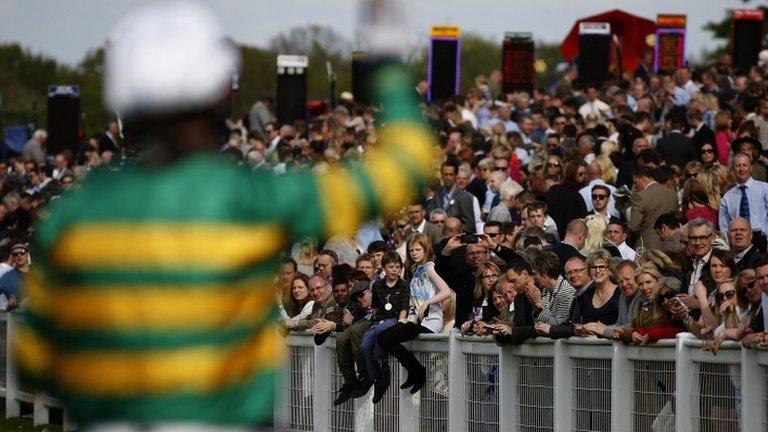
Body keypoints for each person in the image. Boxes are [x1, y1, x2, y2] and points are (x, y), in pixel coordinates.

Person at [15, 2, 436, 429]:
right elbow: (404, 165)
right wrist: (384, 62)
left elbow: (34, 361)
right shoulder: (252, 200)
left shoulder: (72, 215)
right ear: (219, 92)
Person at [378, 234, 451, 396]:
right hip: (416, 321)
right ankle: (415, 371)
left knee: (388, 339)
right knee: (382, 337)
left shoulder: (429, 267)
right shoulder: (415, 271)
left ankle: (417, 371)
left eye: (418, 249)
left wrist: (428, 303)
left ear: (426, 250)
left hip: (430, 321)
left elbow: (446, 292)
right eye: (411, 250)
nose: (414, 253)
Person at [361, 251, 409, 403]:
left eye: (397, 267)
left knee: (382, 330)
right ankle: (377, 378)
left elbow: (404, 308)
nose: (394, 270)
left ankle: (383, 364)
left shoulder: (403, 285)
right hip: (379, 320)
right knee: (365, 345)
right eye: (391, 266)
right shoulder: (377, 286)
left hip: (394, 320)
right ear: (384, 268)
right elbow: (375, 308)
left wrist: (401, 321)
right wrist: (372, 323)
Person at [539, 250, 620, 339]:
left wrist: (603, 330)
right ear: (589, 272)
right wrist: (552, 329)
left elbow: (625, 325)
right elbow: (573, 325)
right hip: (586, 348)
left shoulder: (620, 294)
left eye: (602, 267)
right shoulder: (584, 296)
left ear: (610, 271)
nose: (597, 271)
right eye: (593, 267)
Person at [333, 281, 375, 406]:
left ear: (370, 292)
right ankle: (350, 382)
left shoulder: (380, 297)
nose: (359, 300)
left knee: (355, 331)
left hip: (380, 324)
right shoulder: (359, 308)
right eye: (356, 298)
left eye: (361, 295)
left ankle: (365, 375)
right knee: (341, 340)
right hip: (365, 323)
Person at [628, 166, 679, 250]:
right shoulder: (672, 194)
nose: (635, 186)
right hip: (671, 242)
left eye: (635, 182)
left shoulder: (640, 196)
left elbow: (634, 226)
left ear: (642, 179)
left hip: (647, 244)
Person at [719, 152, 768, 234]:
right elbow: (724, 226)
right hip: (738, 243)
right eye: (738, 166)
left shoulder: (764, 188)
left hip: (764, 241)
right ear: (733, 169)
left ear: (751, 168)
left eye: (745, 165)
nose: (741, 169)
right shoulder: (727, 197)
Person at [425, 159, 477, 233]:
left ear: (456, 175)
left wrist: (451, 227)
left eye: (450, 174)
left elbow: (470, 226)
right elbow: (428, 216)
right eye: (445, 174)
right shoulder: (437, 194)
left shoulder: (464, 197)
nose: (448, 178)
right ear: (441, 175)